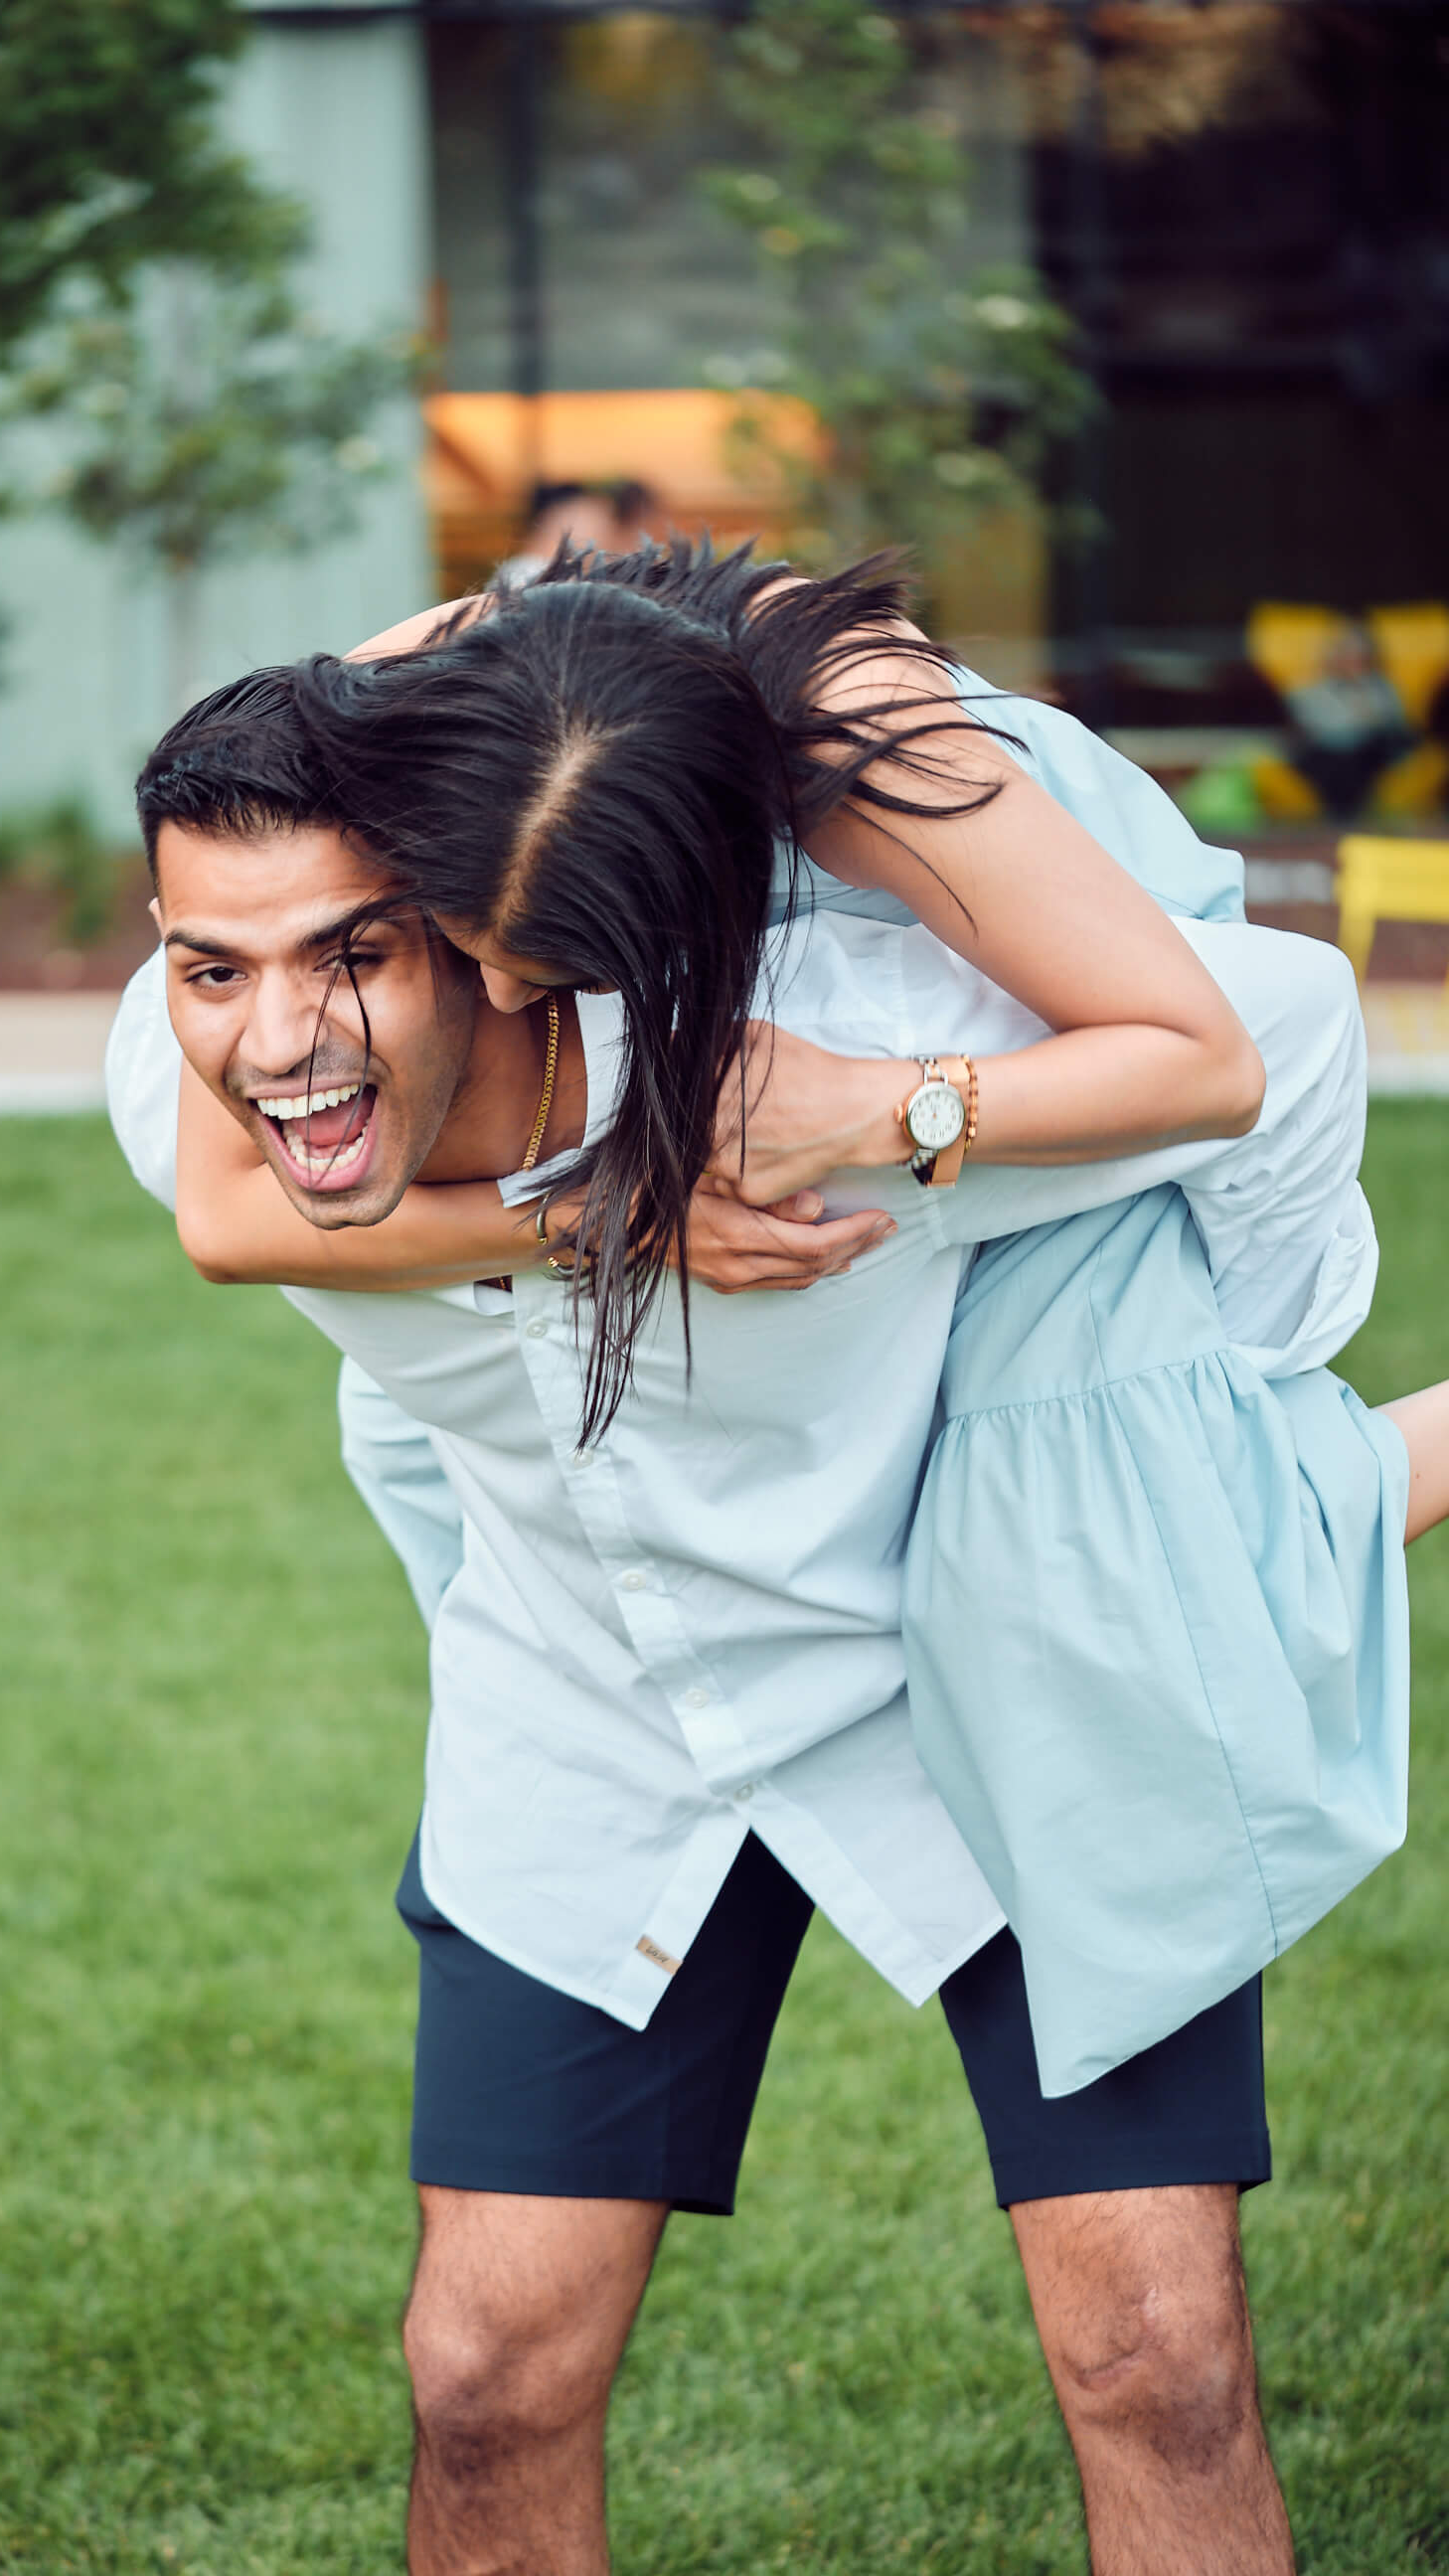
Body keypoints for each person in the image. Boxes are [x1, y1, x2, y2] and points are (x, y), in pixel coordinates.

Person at [106, 563, 1447, 2572]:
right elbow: (236, 1205)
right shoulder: (225, 1052)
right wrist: (614, 1222)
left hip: (991, 1661)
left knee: (1159, 2360)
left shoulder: (867, 1036)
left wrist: (1199, 1391)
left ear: (495, 933)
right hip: (600, 1693)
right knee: (483, 2373)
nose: (280, 1038)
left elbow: (1275, 1039)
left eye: (365, 956)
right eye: (216, 971)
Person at [1282, 618, 1415, 819]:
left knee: (1363, 754)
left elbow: (1394, 726)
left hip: (1369, 755)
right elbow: (1312, 727)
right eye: (1345, 652)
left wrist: (1361, 694)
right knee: (1331, 760)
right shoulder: (1310, 690)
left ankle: (1351, 819)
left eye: (1358, 654)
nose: (1351, 659)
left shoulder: (1382, 688)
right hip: (1325, 756)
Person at [492, 479, 617, 588]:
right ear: (570, 516)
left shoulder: (523, 570)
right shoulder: (529, 572)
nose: (603, 534)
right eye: (596, 520)